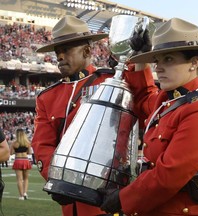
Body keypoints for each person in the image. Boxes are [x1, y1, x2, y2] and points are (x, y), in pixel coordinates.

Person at [97, 17, 198, 216]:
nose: (158, 67)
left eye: (168, 59)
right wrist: (142, 58)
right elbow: (143, 98)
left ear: (194, 63)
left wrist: (123, 199)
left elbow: (169, 175)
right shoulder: (168, 101)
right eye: (157, 60)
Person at [31, 15, 127, 216]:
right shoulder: (47, 97)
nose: (59, 56)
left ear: (87, 50)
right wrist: (59, 180)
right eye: (57, 51)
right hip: (70, 202)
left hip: (107, 195)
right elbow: (42, 145)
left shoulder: (111, 81)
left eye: (66, 50)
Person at [10, 128, 32, 200]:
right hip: (25, 160)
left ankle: (21, 196)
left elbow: (11, 153)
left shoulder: (14, 143)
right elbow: (30, 152)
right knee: (26, 178)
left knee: (19, 179)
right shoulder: (27, 142)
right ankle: (25, 193)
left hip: (18, 160)